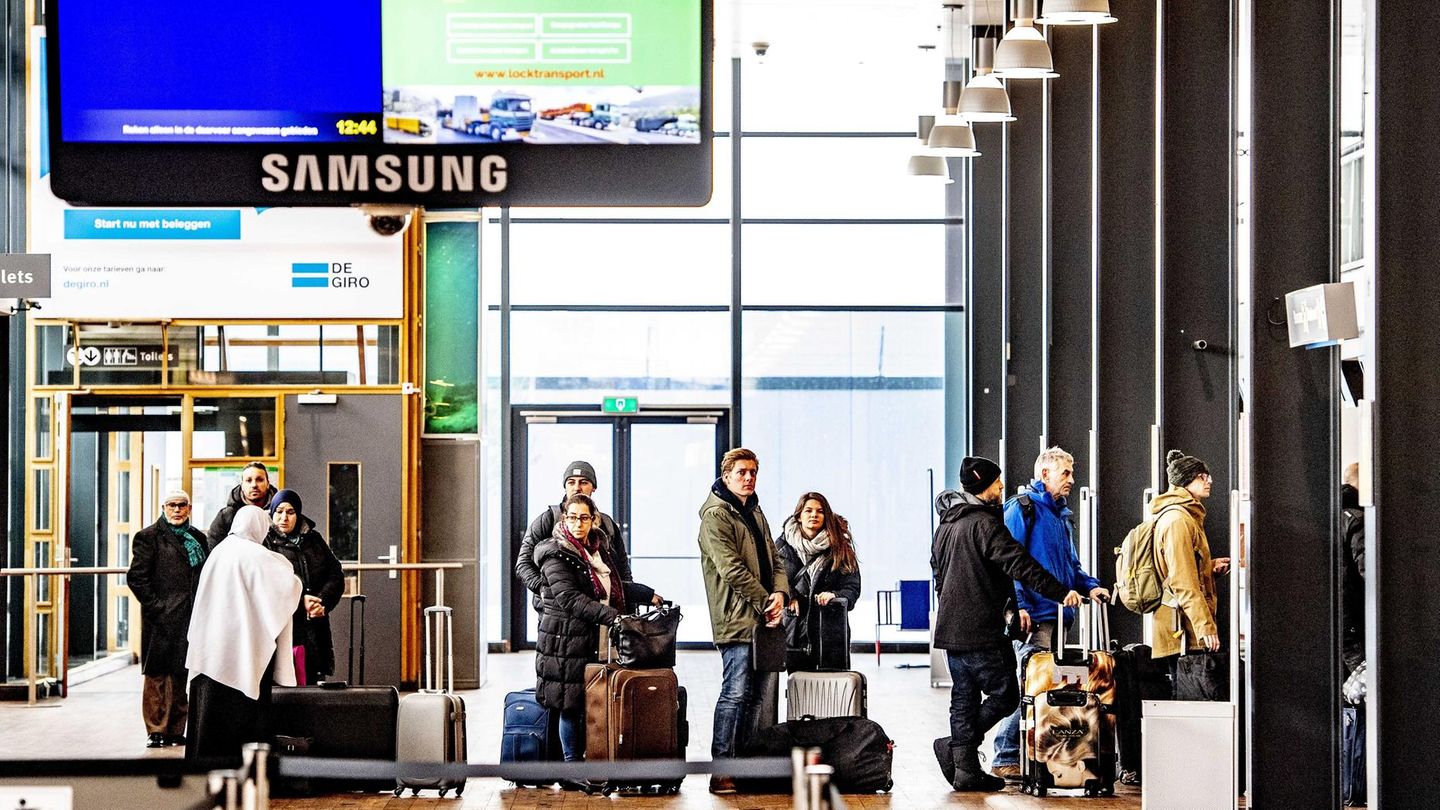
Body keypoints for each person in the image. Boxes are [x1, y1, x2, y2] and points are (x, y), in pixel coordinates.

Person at [930, 456, 1080, 792]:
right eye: (997, 482)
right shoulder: (985, 524)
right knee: (1006, 695)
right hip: (981, 629)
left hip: (952, 628)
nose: (1002, 487)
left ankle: (966, 770)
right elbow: (1019, 564)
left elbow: (937, 570)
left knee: (964, 697)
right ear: (986, 486)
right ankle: (956, 746)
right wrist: (1060, 592)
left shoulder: (947, 525)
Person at [990, 447, 1110, 781]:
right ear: (1045, 474)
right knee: (1031, 685)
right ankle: (1005, 754)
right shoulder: (1023, 509)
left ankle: (1039, 756)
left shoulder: (1060, 516)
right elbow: (1008, 563)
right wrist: (1020, 606)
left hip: (1059, 616)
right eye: (1065, 473)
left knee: (1050, 688)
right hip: (1035, 616)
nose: (1071, 479)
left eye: (1072, 473)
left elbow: (1070, 565)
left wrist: (1090, 586)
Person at [533, 493, 656, 772]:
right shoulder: (555, 553)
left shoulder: (598, 549)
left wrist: (649, 595)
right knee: (571, 706)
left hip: (592, 638)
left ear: (593, 520)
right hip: (564, 640)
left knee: (591, 702)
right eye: (573, 517)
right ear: (564, 518)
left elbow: (612, 588)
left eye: (584, 517)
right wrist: (615, 617)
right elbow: (571, 599)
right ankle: (571, 770)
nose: (578, 523)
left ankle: (593, 763)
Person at [698, 448, 789, 795]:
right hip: (736, 619)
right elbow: (731, 569)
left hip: (764, 618)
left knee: (756, 698)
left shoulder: (754, 510)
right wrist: (766, 600)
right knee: (735, 693)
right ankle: (722, 769)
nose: (749, 478)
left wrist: (779, 594)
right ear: (726, 476)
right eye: (741, 472)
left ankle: (744, 765)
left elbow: (775, 561)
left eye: (753, 471)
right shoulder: (716, 515)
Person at [185, 505, 301, 767]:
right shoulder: (256, 555)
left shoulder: (219, 552)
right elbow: (289, 584)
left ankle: (202, 768)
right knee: (241, 713)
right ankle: (243, 771)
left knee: (208, 714)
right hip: (241, 649)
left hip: (210, 649)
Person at [126, 489, 209, 748]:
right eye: (172, 505)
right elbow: (137, 577)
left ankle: (175, 729)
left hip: (189, 616)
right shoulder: (148, 537)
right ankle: (156, 729)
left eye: (181, 505)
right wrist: (158, 608)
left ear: (189, 508)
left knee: (182, 674)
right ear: (163, 507)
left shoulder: (197, 538)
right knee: (157, 676)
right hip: (160, 619)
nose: (176, 510)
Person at [1149, 449, 1231, 699]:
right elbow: (1182, 581)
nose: (1209, 481)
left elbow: (1186, 570)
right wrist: (1206, 626)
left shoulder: (1185, 517)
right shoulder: (1178, 521)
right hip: (1182, 631)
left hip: (1183, 626)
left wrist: (1209, 568)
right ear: (1186, 481)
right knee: (1187, 704)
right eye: (1202, 476)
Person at [516, 460, 633, 614]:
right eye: (571, 482)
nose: (577, 487)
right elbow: (523, 564)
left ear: (594, 488)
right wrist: (546, 590)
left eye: (584, 482)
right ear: (565, 486)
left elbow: (622, 568)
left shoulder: (606, 524)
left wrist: (629, 601)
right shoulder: (548, 519)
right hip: (558, 615)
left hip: (602, 612)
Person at [263, 489, 345, 685]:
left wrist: (322, 601)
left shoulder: (313, 539)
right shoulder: (265, 541)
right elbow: (267, 585)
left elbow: (335, 574)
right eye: (279, 511)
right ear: (272, 513)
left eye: (290, 512)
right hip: (283, 626)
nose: (284, 517)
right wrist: (301, 602)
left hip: (314, 625)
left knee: (312, 680)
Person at [776, 491, 861, 672]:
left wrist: (835, 595)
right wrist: (789, 595)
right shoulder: (782, 546)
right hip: (796, 630)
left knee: (832, 690)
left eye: (820, 511)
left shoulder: (841, 547)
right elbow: (773, 579)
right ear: (799, 516)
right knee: (799, 687)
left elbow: (853, 587)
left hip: (831, 632)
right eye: (808, 511)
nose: (814, 515)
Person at [206, 462, 276, 548]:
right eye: (249, 480)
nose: (254, 485)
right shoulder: (227, 516)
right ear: (242, 485)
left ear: (268, 484)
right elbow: (213, 550)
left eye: (259, 480)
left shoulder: (279, 512)